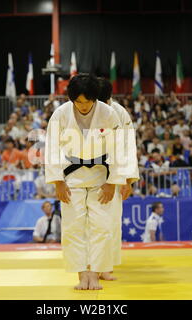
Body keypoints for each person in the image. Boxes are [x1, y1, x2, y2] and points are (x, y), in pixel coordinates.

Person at [45, 74, 126, 290]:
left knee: (102, 226)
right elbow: (52, 148)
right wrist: (58, 181)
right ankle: (82, 275)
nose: (82, 106)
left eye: (87, 101)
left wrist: (113, 181)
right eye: (78, 102)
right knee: (73, 227)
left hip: (101, 176)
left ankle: (95, 273)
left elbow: (119, 148)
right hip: (71, 177)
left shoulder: (108, 114)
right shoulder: (61, 114)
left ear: (95, 99)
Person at [97, 77, 139, 281]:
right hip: (88, 172)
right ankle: (89, 264)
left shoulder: (120, 113)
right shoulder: (85, 110)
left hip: (114, 173)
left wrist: (128, 180)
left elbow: (128, 147)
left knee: (112, 221)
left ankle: (107, 264)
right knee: (90, 223)